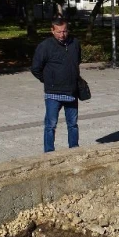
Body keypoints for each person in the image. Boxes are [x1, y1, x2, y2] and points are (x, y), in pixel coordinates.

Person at [31, 17, 82, 152]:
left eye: (64, 31)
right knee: (50, 125)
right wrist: (48, 80)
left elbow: (78, 61)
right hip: (53, 93)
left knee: (73, 124)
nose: (62, 35)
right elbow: (35, 68)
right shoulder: (45, 46)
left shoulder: (74, 43)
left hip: (71, 92)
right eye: (59, 32)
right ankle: (49, 152)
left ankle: (74, 149)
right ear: (52, 31)